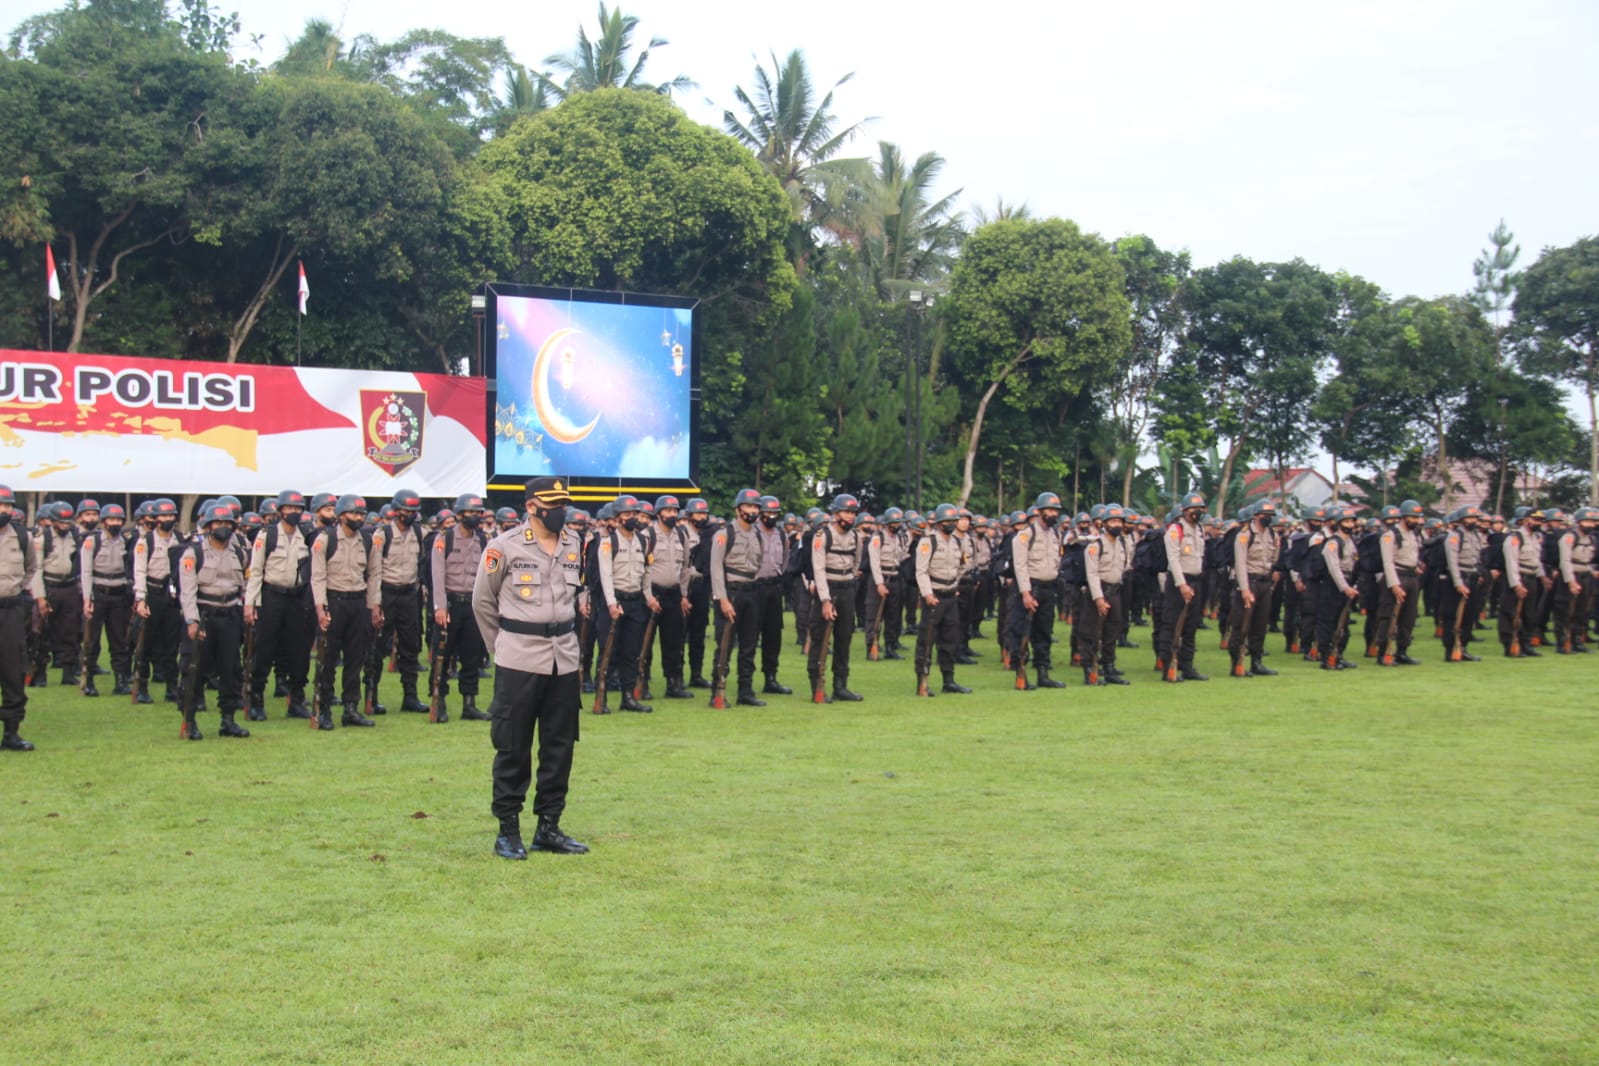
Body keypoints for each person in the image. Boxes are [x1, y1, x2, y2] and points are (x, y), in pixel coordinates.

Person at [475, 476, 590, 860]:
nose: (561, 510)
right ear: (531, 507)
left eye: (564, 503)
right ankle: (508, 830)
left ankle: (549, 826)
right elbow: (483, 604)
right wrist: (503, 648)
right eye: (552, 504)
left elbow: (577, 595)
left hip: (564, 659)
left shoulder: (575, 543)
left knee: (559, 745)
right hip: (519, 658)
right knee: (513, 745)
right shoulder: (503, 546)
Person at [175, 503, 251, 740]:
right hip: (203, 614)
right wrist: (192, 621)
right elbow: (187, 591)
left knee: (231, 670)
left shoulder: (240, 552)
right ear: (208, 527)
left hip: (230, 614)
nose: (223, 528)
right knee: (195, 669)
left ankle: (228, 720)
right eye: (218, 524)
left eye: (227, 523)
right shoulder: (193, 553)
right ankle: (190, 720)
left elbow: (245, 585)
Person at [245, 490, 314, 719]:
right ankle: (256, 700)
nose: (294, 512)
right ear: (280, 511)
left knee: (298, 651)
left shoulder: (305, 535)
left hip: (296, 597)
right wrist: (251, 603)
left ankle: (296, 700)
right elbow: (255, 571)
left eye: (297, 509)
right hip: (271, 596)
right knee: (264, 649)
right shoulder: (267, 535)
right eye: (289, 508)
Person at [311, 494, 376, 729]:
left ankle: (351, 708)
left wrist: (373, 607)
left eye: (361, 514)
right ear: (340, 515)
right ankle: (324, 709)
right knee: (328, 659)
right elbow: (317, 577)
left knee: (355, 658)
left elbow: (374, 575)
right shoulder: (325, 539)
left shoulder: (368, 541)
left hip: (358, 603)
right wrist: (321, 608)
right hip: (334, 601)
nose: (358, 518)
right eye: (353, 513)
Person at [431, 492, 493, 722]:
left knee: (472, 656)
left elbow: (490, 574)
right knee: (443, 655)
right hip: (450, 604)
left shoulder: (485, 540)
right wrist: (440, 607)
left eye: (478, 513)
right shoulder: (444, 539)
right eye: (470, 512)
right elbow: (438, 575)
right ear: (459, 515)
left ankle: (470, 703)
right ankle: (440, 700)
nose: (475, 517)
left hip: (474, 606)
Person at [366, 489, 427, 714]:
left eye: (413, 510)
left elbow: (421, 563)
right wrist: (375, 603)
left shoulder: (419, 533)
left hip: (409, 594)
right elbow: (374, 570)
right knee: (378, 647)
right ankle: (372, 696)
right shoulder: (382, 534)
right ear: (396, 511)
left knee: (411, 646)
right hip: (386, 593)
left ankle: (410, 696)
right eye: (405, 510)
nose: (409, 514)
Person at [710, 489, 766, 707]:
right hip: (730, 592)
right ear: (738, 509)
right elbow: (716, 568)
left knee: (749, 644)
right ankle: (718, 690)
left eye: (755, 507)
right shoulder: (725, 534)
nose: (752, 511)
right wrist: (722, 599)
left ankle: (746, 690)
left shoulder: (757, 534)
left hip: (751, 590)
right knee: (724, 643)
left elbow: (759, 564)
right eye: (748, 506)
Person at [808, 493, 865, 703]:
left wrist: (848, 581)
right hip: (828, 587)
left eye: (852, 512)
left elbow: (857, 562)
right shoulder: (822, 536)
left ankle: (841, 685)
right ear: (835, 513)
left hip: (847, 587)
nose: (850, 517)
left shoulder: (856, 537)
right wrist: (825, 600)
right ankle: (817, 684)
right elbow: (818, 569)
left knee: (844, 637)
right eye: (846, 512)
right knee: (820, 637)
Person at [1008, 492, 1067, 690]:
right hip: (1029, 587)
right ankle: (1020, 672)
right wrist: (1026, 593)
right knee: (1021, 632)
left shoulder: (1057, 533)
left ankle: (1043, 673)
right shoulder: (1026, 534)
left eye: (1055, 510)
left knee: (1044, 632)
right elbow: (1020, 565)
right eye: (1049, 510)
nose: (1052, 514)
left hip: (1048, 588)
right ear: (1040, 511)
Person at [132, 498, 187, 703]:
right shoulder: (145, 541)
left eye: (171, 516)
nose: (168, 519)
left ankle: (171, 686)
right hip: (152, 594)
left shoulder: (181, 539)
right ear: (155, 519)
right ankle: (143, 687)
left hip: (172, 597)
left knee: (171, 645)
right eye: (163, 516)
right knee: (146, 644)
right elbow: (139, 570)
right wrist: (140, 599)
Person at [79, 503, 135, 697]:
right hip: (98, 592)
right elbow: (85, 572)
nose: (116, 523)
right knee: (91, 640)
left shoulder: (127, 541)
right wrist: (87, 598)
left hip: (119, 594)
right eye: (112, 520)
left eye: (119, 520)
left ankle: (120, 680)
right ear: (104, 522)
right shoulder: (92, 541)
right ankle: (89, 680)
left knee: (119, 640)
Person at [913, 503, 968, 696]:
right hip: (933, 597)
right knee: (926, 640)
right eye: (948, 521)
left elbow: (962, 566)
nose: (952, 524)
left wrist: (955, 584)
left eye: (954, 520)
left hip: (950, 596)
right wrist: (927, 594)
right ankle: (922, 679)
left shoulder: (958, 543)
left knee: (950, 639)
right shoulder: (928, 542)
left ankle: (949, 680)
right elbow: (921, 571)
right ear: (939, 523)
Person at [0, 485, 40, 751]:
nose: (4, 511)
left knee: (13, 672)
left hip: (10, 611)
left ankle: (11, 733)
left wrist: (14, 590)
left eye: (8, 506)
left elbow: (31, 569)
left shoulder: (22, 537)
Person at [1227, 501, 1282, 678]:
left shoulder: (1273, 534)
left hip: (1264, 582)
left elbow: (1273, 558)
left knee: (1260, 623)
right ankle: (1237, 662)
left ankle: (1256, 661)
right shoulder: (1245, 535)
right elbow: (1240, 563)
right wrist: (1244, 589)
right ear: (1256, 515)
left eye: (1271, 516)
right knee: (1242, 624)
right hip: (1249, 581)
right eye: (1265, 515)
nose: (1268, 518)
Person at [1079, 503, 1132, 685]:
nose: (1117, 525)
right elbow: (1092, 574)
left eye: (1119, 521)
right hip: (1098, 591)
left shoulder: (1121, 544)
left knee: (1112, 630)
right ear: (1105, 524)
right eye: (1113, 521)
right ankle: (1089, 669)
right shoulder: (1095, 546)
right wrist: (1099, 598)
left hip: (1115, 590)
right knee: (1091, 632)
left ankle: (1109, 667)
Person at [1160, 493, 1209, 682]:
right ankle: (1168, 666)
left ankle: (1187, 666)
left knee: (1191, 626)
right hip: (1178, 582)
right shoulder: (1175, 529)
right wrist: (1182, 585)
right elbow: (1173, 559)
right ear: (1184, 511)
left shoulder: (1199, 530)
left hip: (1196, 581)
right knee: (1172, 625)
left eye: (1200, 509)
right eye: (1193, 509)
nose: (1197, 512)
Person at [1374, 499, 1425, 666]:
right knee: (1389, 616)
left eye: (1417, 518)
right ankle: (1383, 652)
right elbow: (1387, 562)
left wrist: (1416, 566)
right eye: (1413, 517)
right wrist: (1394, 584)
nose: (1416, 521)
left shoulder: (1414, 534)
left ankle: (1402, 651)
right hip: (1396, 576)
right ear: (1403, 517)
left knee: (1408, 617)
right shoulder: (1390, 535)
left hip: (1411, 576)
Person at [1440, 506, 1488, 662]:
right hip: (1458, 577)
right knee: (1453, 615)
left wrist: (1478, 573)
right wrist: (1458, 583)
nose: (1473, 521)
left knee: (1469, 614)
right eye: (1470, 518)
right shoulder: (1454, 536)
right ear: (1461, 520)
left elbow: (1478, 557)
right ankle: (1451, 648)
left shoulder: (1476, 536)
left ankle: (1463, 646)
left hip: (1472, 577)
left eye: (1475, 518)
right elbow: (1452, 562)